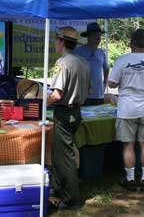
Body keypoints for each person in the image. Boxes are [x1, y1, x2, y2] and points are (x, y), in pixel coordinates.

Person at [108, 29, 144, 191]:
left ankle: (131, 179)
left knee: (128, 145)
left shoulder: (121, 60)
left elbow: (111, 84)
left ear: (130, 43)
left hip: (126, 108)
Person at [47, 26, 91, 210]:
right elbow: (88, 90)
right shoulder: (83, 62)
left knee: (65, 157)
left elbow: (57, 95)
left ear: (62, 42)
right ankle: (58, 190)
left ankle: (72, 198)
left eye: (56, 40)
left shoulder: (63, 63)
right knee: (60, 154)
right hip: (76, 112)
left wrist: (43, 102)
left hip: (64, 113)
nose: (55, 44)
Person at [74, 22, 109, 105]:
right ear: (88, 37)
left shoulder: (101, 52)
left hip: (99, 95)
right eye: (95, 36)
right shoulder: (78, 51)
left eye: (99, 36)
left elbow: (106, 69)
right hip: (83, 95)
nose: (97, 38)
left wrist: (105, 84)